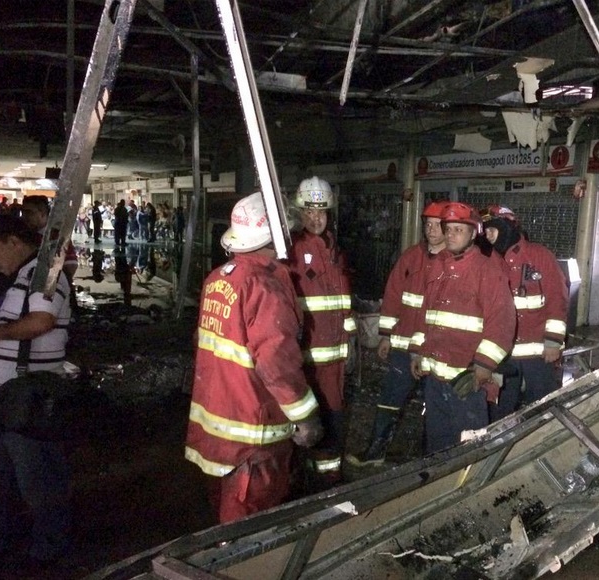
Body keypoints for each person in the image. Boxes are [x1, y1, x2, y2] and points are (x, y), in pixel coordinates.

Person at [185, 192, 322, 524]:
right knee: (248, 529)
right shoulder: (265, 285)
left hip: (216, 427)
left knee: (222, 511)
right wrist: (306, 417)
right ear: (273, 235)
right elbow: (277, 364)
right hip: (253, 438)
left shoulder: (219, 278)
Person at [0, 215, 72, 566]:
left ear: (14, 242)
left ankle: (48, 551)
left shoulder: (44, 273)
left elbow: (42, 321)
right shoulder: (22, 277)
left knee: (39, 480)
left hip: (27, 400)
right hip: (4, 398)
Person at [346, 200, 448, 467]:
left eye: (437, 225)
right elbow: (392, 296)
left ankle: (428, 459)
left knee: (435, 407)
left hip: (436, 351)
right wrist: (386, 336)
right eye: (428, 224)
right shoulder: (411, 257)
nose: (431, 230)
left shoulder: (455, 262)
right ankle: (376, 452)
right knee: (389, 400)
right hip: (402, 348)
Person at [409, 202, 516, 454]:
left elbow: (502, 322)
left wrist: (483, 366)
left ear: (473, 233)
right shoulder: (438, 266)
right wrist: (416, 350)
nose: (451, 234)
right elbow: (425, 314)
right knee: (437, 447)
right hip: (435, 379)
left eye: (459, 229)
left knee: (469, 449)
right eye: (448, 229)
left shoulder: (487, 270)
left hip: (467, 381)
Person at [286, 176, 355, 483]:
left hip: (335, 358)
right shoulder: (292, 249)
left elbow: (342, 300)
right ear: (300, 212)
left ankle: (328, 481)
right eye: (310, 212)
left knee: (334, 418)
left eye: (322, 212)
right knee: (306, 419)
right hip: (308, 356)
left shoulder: (333, 249)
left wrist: (350, 340)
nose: (316, 218)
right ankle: (305, 478)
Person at [482, 205, 568, 422]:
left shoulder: (539, 256)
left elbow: (557, 299)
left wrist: (553, 342)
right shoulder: (487, 261)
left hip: (538, 353)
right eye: (486, 231)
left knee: (542, 407)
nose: (488, 236)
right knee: (499, 410)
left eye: (492, 230)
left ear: (506, 228)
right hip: (502, 354)